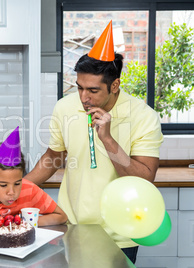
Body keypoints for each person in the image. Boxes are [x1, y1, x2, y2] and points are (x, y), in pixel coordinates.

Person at [24, 21, 163, 264]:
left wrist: (108, 140)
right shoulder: (64, 107)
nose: (83, 97)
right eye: (79, 88)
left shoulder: (144, 116)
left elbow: (144, 179)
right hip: (72, 227)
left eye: (93, 90)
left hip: (120, 234)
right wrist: (16, 187)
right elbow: (53, 158)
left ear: (115, 85)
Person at [0, 127, 68, 226]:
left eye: (17, 183)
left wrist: (20, 222)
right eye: (3, 185)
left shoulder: (29, 190)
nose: (12, 192)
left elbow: (61, 217)